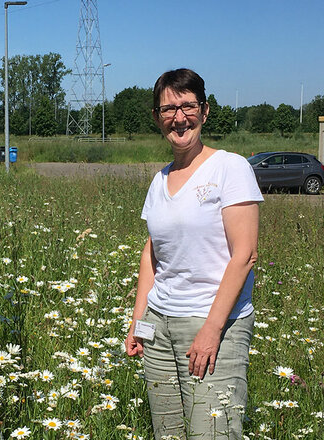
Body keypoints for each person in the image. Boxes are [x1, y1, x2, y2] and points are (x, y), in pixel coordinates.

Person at [125, 68, 262, 440]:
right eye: (168, 109)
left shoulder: (230, 167)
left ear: (204, 111)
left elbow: (245, 255)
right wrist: (139, 322)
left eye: (188, 106)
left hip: (214, 323)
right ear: (157, 118)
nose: (179, 117)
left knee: (213, 433)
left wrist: (211, 331)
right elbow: (152, 252)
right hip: (159, 326)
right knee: (166, 433)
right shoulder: (159, 181)